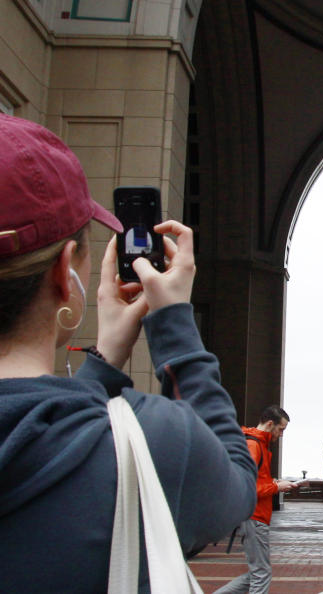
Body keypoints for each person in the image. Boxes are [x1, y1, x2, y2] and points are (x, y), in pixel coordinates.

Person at [0, 113, 256, 591]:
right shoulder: (154, 440)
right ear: (65, 273)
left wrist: (102, 361)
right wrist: (175, 324)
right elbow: (236, 483)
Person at [215, 405, 297, 594]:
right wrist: (276, 487)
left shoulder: (254, 443)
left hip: (252, 516)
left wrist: (275, 482)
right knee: (261, 573)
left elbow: (253, 480)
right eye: (281, 429)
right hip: (255, 516)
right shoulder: (255, 445)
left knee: (258, 572)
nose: (282, 434)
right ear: (270, 424)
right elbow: (248, 487)